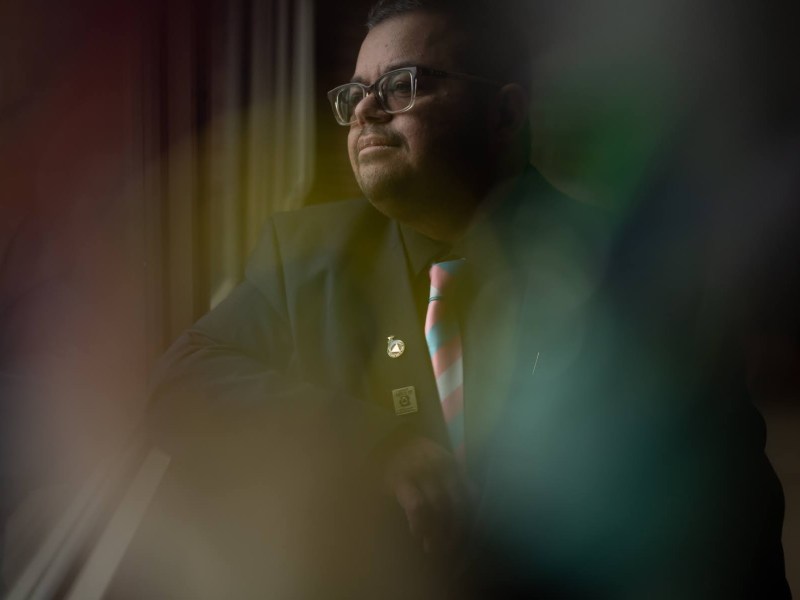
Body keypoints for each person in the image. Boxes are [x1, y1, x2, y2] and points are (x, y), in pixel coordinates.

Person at [149, 0, 790, 597]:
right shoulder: (309, 256)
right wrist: (380, 445)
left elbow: (734, 528)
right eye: (354, 95)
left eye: (402, 85)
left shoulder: (630, 272)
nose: (368, 111)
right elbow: (180, 382)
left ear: (504, 114)